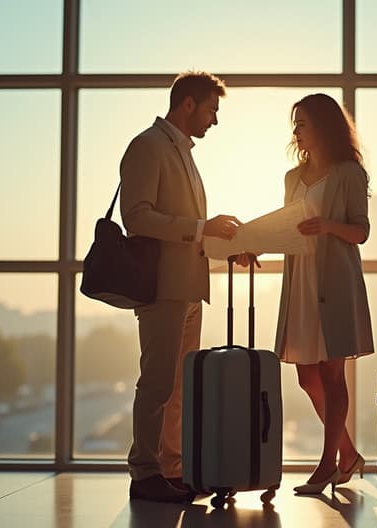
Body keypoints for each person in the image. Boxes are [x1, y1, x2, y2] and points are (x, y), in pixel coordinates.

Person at [120, 71, 242, 502]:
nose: (214, 120)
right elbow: (136, 217)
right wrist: (199, 227)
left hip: (190, 287)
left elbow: (192, 229)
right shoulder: (148, 146)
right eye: (212, 109)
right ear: (188, 104)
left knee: (177, 386)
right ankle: (145, 473)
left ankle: (172, 470)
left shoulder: (185, 154)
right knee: (156, 382)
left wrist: (230, 245)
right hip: (162, 287)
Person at [275, 93, 374, 494]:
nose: (296, 131)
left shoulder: (350, 173)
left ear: (324, 126)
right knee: (306, 376)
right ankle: (348, 454)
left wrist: (327, 226)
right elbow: (285, 227)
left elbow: (361, 231)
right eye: (294, 124)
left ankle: (328, 465)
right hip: (300, 281)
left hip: (334, 281)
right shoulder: (291, 177)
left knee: (333, 374)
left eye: (302, 123)